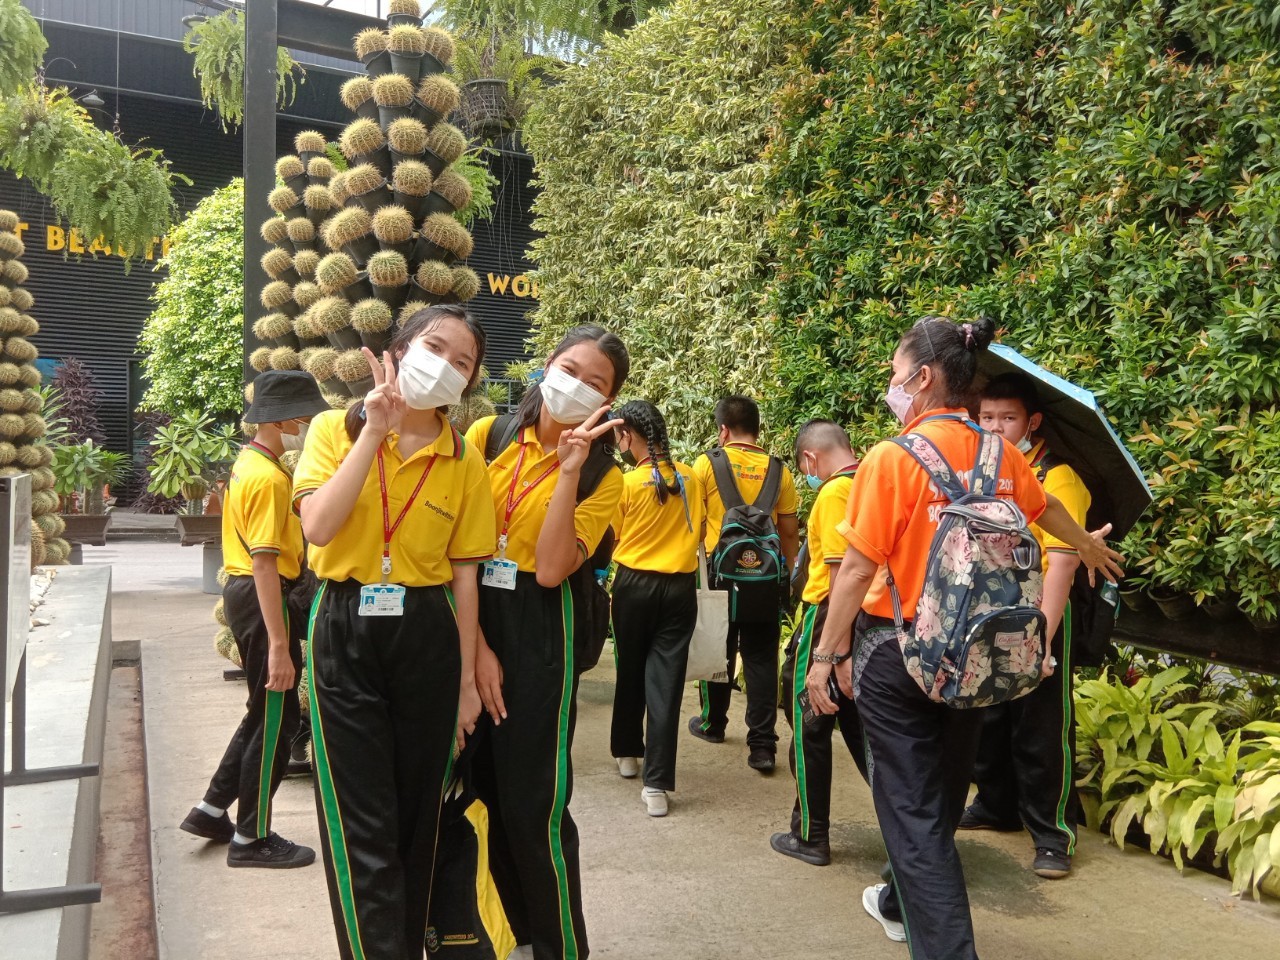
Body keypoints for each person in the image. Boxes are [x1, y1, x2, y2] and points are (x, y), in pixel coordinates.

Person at [806, 316, 1123, 959]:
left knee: (912, 813)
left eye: (897, 374)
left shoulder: (892, 458)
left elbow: (858, 570)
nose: (892, 386)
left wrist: (826, 655)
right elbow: (1044, 509)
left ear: (923, 378)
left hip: (896, 652)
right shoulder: (1002, 454)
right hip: (975, 653)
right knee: (944, 795)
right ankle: (895, 902)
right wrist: (1086, 544)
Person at [292, 306, 495, 960]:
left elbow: (466, 578)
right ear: (400, 349)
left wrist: (466, 684)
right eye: (435, 348)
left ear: (469, 382)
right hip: (345, 624)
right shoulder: (334, 428)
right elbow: (318, 527)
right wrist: (373, 433)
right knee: (362, 824)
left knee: (417, 817)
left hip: (427, 630)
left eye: (462, 362)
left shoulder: (463, 460)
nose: (446, 366)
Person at [466, 326, 629, 960]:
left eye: (596, 383)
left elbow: (553, 569)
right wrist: (475, 649)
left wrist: (568, 473)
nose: (577, 386)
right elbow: (459, 545)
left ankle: (561, 946)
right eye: (570, 369)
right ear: (546, 365)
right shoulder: (489, 436)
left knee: (534, 800)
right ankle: (514, 932)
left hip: (540, 628)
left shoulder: (604, 476)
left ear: (608, 402)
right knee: (478, 788)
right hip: (472, 612)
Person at [180, 369, 328, 868]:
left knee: (263, 712)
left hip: (249, 594)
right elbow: (265, 562)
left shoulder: (249, 463)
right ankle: (251, 838)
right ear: (283, 420)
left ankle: (211, 809)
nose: (308, 425)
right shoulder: (268, 479)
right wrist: (280, 646)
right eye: (305, 416)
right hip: (265, 595)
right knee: (278, 720)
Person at [963, 372, 1092, 879]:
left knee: (1040, 725)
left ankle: (1053, 834)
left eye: (1008, 417)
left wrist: (1043, 641)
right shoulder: (986, 474)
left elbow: (1064, 562)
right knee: (989, 715)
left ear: (1033, 421)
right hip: (990, 611)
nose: (995, 428)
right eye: (986, 417)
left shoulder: (1059, 478)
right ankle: (997, 805)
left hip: (1041, 612)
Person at [687, 395, 799, 772]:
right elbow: (789, 533)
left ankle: (713, 724)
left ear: (723, 430)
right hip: (764, 578)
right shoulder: (780, 471)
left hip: (718, 575)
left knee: (717, 651)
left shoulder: (707, 463)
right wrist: (788, 577)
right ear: (757, 429)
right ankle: (762, 746)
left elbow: (694, 523)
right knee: (761, 657)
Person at [770, 419, 863, 866]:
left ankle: (810, 835)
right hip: (869, 621)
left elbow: (840, 575)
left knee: (809, 727)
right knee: (867, 734)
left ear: (809, 459)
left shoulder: (832, 492)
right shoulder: (870, 483)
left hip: (827, 620)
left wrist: (834, 651)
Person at [608, 400, 705, 818]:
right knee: (666, 683)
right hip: (679, 589)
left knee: (630, 668)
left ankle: (627, 752)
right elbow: (700, 529)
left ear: (628, 435)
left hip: (633, 585)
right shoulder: (691, 477)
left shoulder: (627, 482)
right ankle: (657, 786)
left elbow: (613, 535)